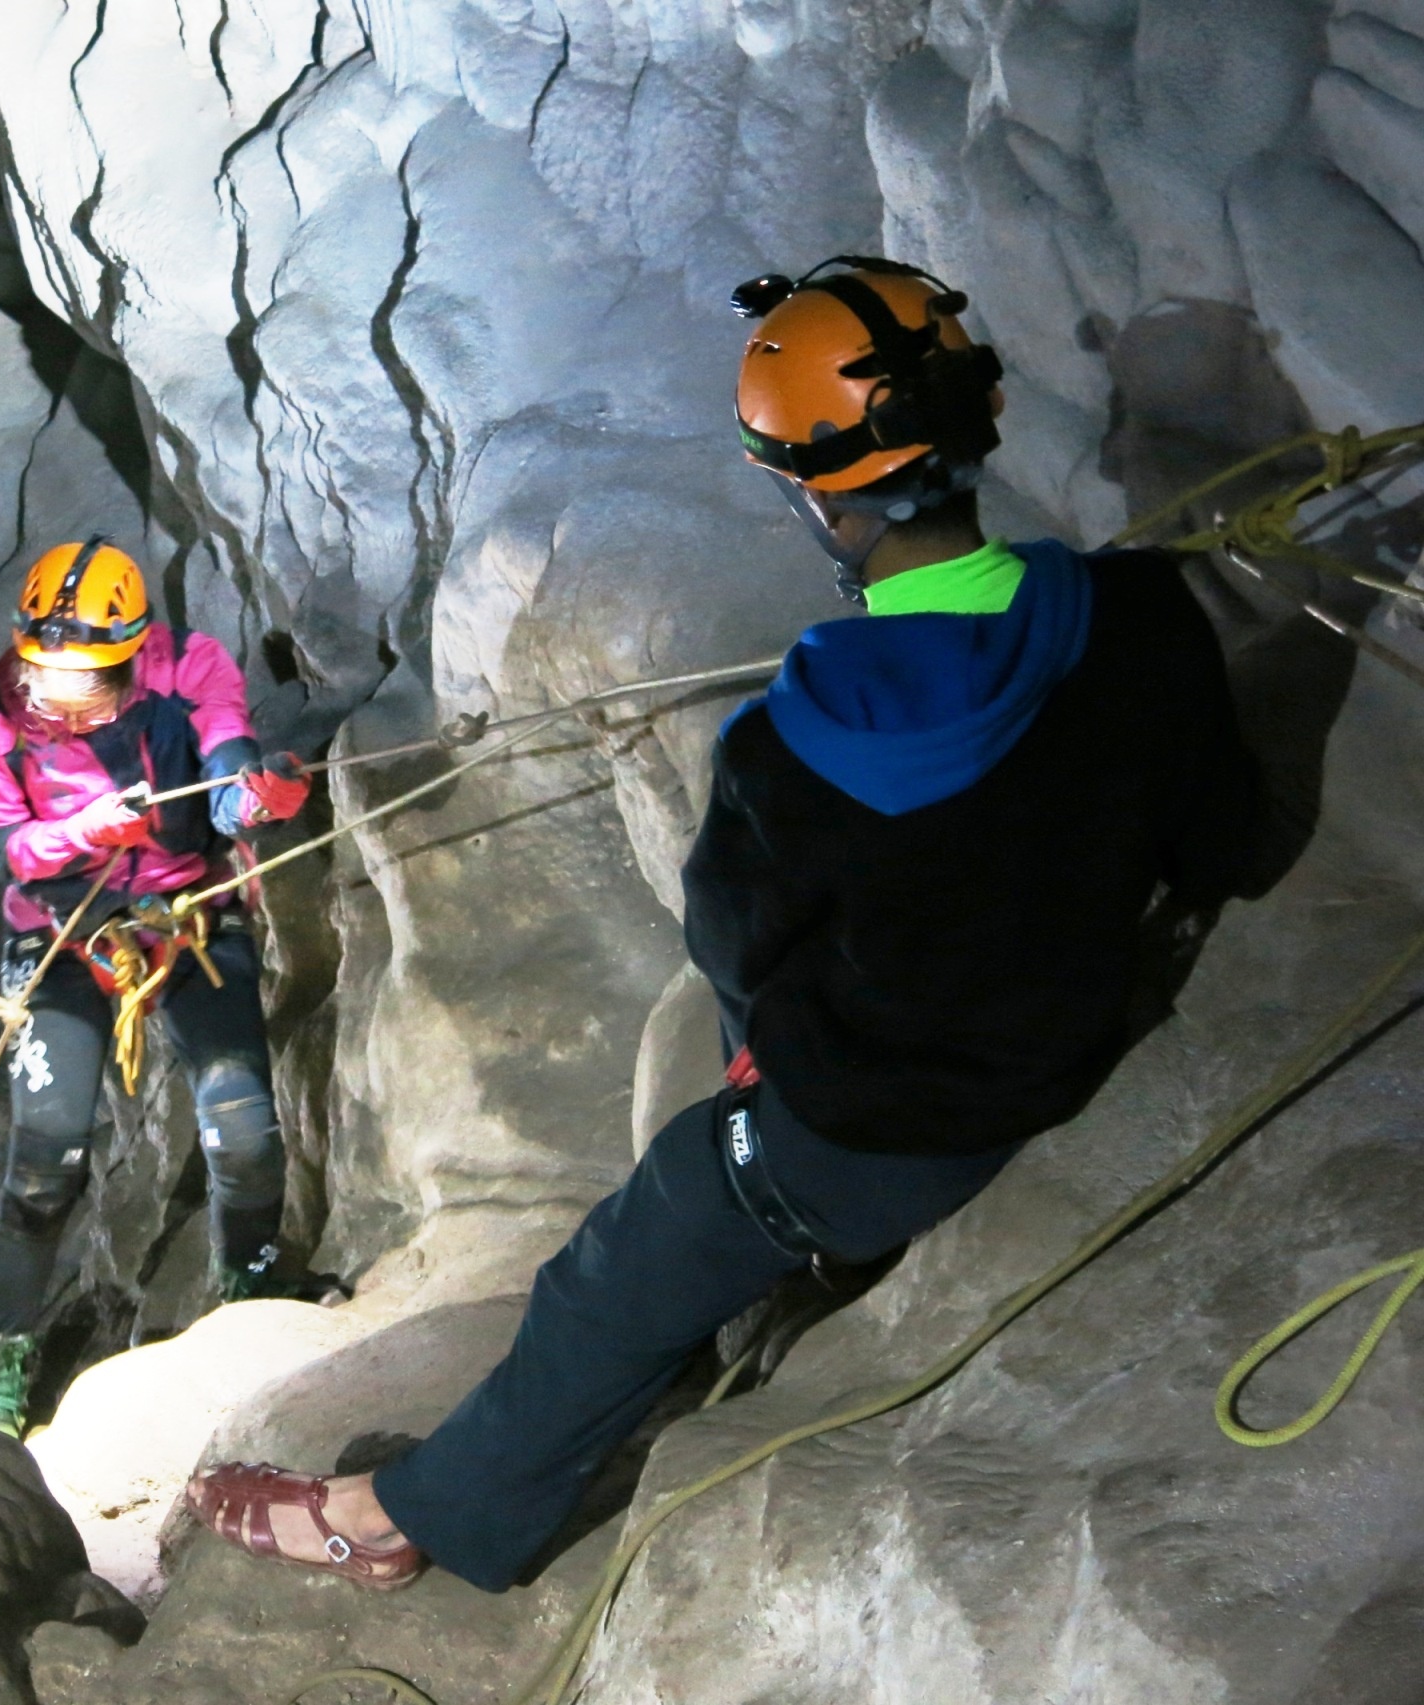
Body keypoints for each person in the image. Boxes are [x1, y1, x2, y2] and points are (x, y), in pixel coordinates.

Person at [183, 257, 1274, 1589]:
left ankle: (407, 1515)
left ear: (819, 492)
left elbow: (741, 951)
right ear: (979, 421)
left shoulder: (798, 741)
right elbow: (1228, 838)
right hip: (1078, 1020)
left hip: (884, 1130)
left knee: (617, 1263)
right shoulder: (1142, 611)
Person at [0, 537, 314, 1438]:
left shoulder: (190, 670)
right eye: (45, 672)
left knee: (245, 1134)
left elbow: (227, 770)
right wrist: (79, 829)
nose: (57, 697)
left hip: (183, 914)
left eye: (82, 678)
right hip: (65, 934)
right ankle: (3, 1370)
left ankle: (253, 1297)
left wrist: (256, 798)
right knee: (45, 1165)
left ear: (128, 654)